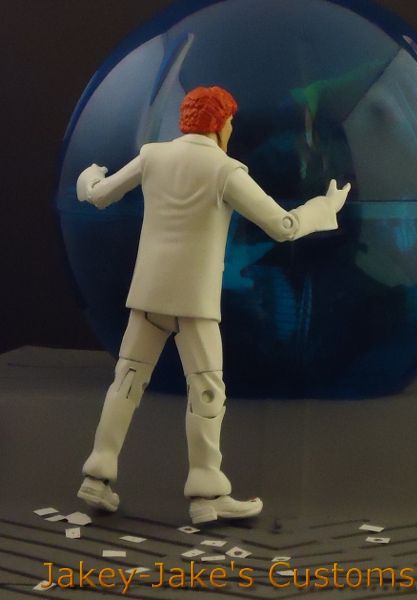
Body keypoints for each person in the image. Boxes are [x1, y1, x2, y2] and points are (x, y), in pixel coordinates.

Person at [76, 86, 350, 524]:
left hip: (148, 294)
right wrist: (324, 207)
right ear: (220, 124)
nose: (231, 129)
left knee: (126, 382)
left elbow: (99, 195)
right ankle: (206, 491)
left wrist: (87, 177)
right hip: (194, 302)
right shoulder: (225, 170)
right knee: (206, 392)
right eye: (230, 122)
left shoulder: (153, 155)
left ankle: (98, 473)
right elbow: (283, 225)